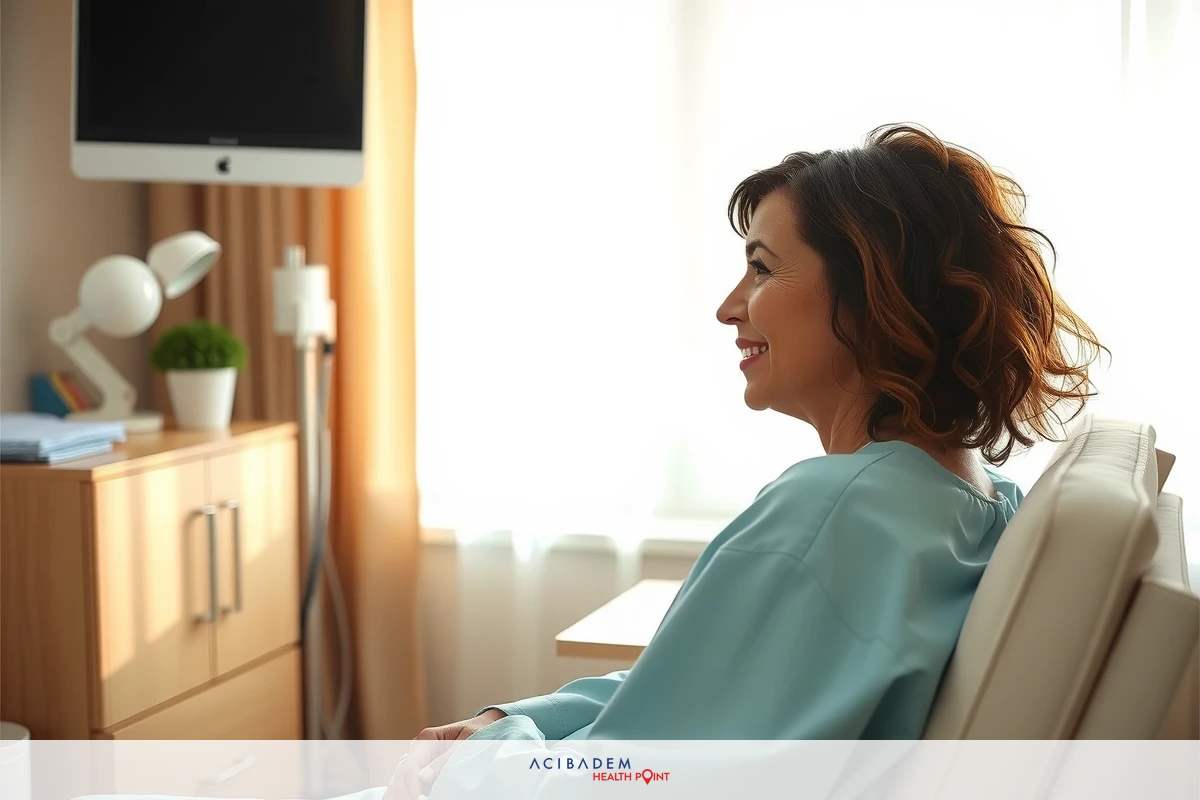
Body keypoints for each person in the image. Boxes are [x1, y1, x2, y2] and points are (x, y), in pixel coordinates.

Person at [393, 122, 1103, 794]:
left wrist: (474, 762)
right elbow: (715, 691)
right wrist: (516, 722)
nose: (730, 308)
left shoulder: (834, 513)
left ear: (870, 297)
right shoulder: (973, 500)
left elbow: (627, 782)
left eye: (761, 270)